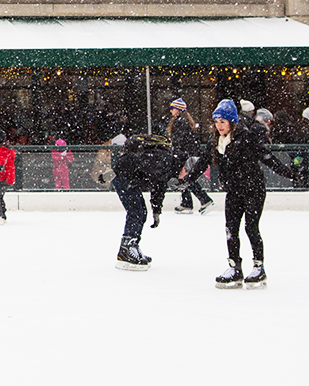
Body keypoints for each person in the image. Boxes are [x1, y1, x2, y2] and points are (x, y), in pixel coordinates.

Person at [181, 100, 298, 289]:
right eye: (216, 121)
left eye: (223, 121)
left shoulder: (247, 138)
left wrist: (289, 174)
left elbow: (267, 157)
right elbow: (203, 162)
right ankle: (234, 267)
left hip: (254, 189)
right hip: (234, 190)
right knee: (230, 229)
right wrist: (187, 179)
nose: (219, 125)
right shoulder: (216, 141)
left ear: (232, 122)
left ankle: (259, 267)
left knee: (251, 227)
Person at [110, 134, 182, 270]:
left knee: (141, 212)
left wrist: (156, 211)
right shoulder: (166, 160)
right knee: (136, 212)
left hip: (128, 178)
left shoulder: (168, 166)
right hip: (123, 177)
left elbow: (158, 189)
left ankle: (133, 245)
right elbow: (133, 159)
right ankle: (126, 250)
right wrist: (115, 171)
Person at [167, 98, 214, 216]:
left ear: (177, 109)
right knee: (184, 179)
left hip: (183, 156)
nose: (170, 111)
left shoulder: (180, 122)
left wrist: (179, 158)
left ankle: (205, 200)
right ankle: (187, 202)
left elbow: (179, 142)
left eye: (172, 108)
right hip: (188, 155)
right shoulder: (186, 121)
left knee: (186, 179)